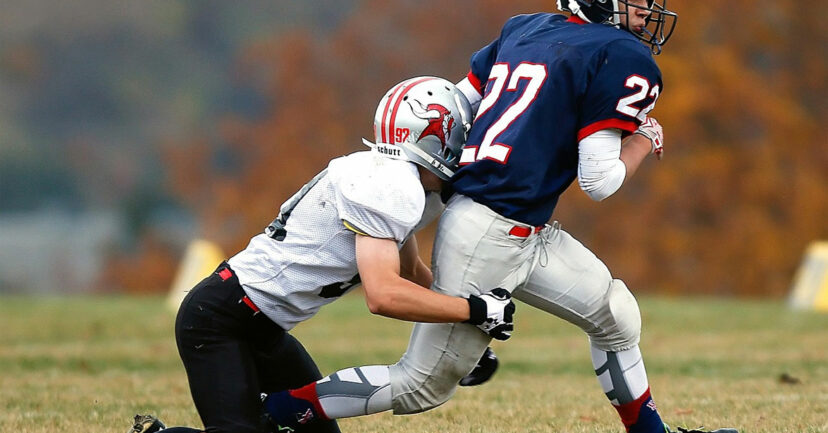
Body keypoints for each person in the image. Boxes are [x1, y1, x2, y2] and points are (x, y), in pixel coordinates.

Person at [263, 2, 740, 433]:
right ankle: (266, 415)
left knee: (615, 315)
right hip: (489, 234)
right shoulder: (620, 54)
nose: (648, 6)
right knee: (420, 385)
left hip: (519, 227)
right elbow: (600, 181)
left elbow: (458, 105)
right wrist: (643, 139)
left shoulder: (525, 29)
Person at [127, 76, 517, 433]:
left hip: (264, 327)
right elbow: (383, 295)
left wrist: (460, 330)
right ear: (433, 139)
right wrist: (475, 310)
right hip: (221, 319)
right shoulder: (391, 184)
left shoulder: (397, 180)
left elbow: (409, 270)